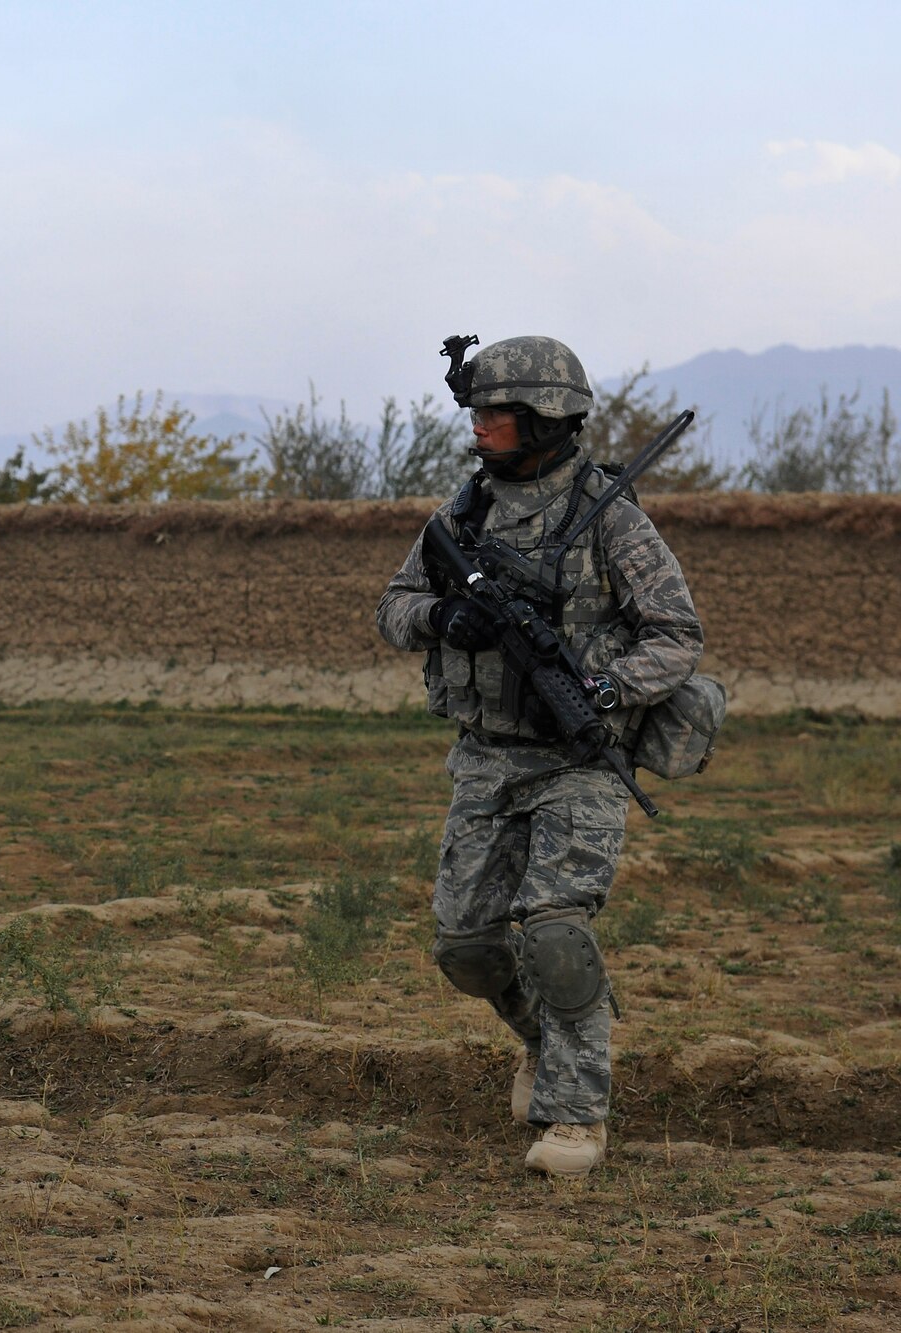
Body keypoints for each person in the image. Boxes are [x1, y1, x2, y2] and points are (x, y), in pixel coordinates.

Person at [374, 335, 703, 1177]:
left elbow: (677, 637)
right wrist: (444, 619)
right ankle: (542, 1040)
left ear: (547, 420)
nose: (479, 429)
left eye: (497, 415)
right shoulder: (462, 516)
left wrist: (603, 689)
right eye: (477, 413)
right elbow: (394, 605)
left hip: (580, 759)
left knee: (557, 930)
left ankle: (576, 1113)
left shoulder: (611, 518)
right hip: (485, 757)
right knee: (467, 948)